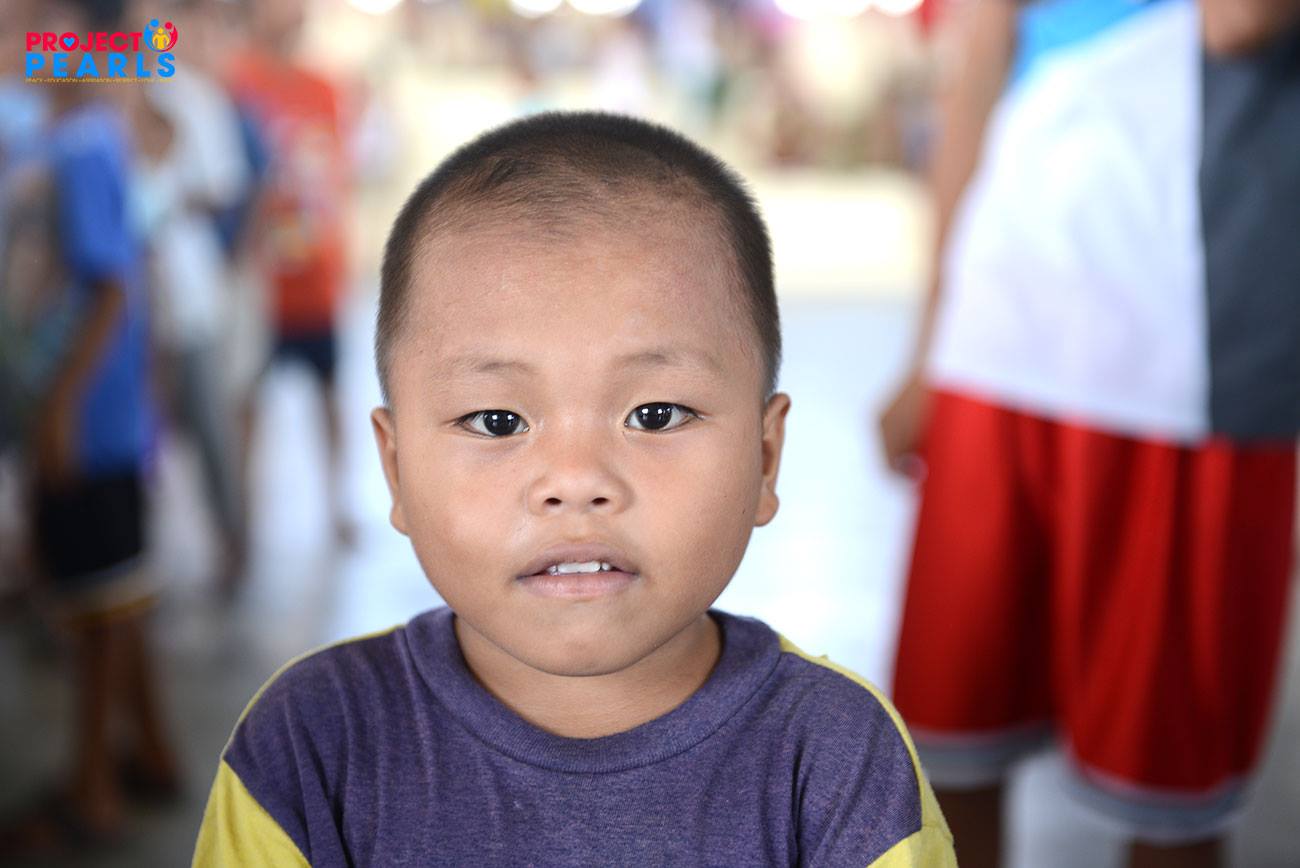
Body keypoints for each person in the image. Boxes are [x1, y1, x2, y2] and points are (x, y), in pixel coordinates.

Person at [193, 112, 956, 867]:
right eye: (497, 421)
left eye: (655, 415)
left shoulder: (836, 761)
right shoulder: (307, 748)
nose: (577, 481)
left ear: (764, 455)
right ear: (395, 468)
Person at [878, 2, 1300, 867]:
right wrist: (929, 348)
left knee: (1170, 793)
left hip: (1186, 371)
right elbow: (975, 84)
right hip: (998, 342)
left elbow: (1241, 22)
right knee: (951, 746)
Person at [2, 0, 180, 851]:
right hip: (73, 410)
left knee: (94, 603)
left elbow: (113, 286)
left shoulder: (85, 143)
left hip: (86, 419)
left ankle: (91, 791)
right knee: (114, 590)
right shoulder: (52, 135)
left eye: (27, 25)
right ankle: (150, 752)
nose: (13, 41)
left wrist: (62, 408)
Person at [224, 0, 355, 547]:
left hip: (315, 277)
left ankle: (337, 507)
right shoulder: (234, 82)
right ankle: (241, 521)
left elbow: (336, 177)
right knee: (246, 405)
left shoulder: (325, 87)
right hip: (257, 285)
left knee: (327, 395)